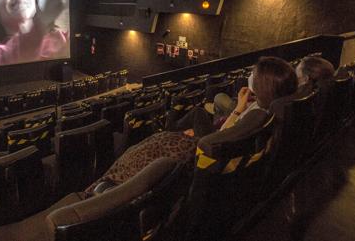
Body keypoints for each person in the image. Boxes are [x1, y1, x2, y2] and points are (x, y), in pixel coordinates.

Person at [85, 56, 298, 194]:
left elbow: (220, 138)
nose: (249, 76)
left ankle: (104, 188)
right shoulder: (268, 114)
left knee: (143, 149)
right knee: (187, 118)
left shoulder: (254, 116)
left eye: (253, 74)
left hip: (195, 149)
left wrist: (237, 110)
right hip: (198, 145)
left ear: (262, 84)